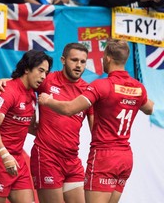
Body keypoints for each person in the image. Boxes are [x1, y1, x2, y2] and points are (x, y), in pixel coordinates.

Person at [38, 38, 154, 203]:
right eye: (75, 60)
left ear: (107, 58)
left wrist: (48, 101)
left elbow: (69, 109)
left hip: (104, 156)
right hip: (125, 157)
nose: (79, 65)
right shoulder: (138, 88)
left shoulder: (100, 86)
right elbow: (149, 108)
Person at [0, 43, 94, 203]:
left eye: (83, 62)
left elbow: (95, 129)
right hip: (47, 157)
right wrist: (4, 81)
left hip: (72, 160)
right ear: (63, 60)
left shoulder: (88, 91)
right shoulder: (47, 80)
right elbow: (23, 81)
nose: (78, 65)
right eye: (74, 60)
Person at [0, 50, 53, 203]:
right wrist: (5, 155)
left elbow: (31, 127)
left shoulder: (32, 94)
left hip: (17, 160)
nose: (43, 77)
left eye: (46, 72)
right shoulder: (7, 91)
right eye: (40, 70)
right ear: (27, 68)